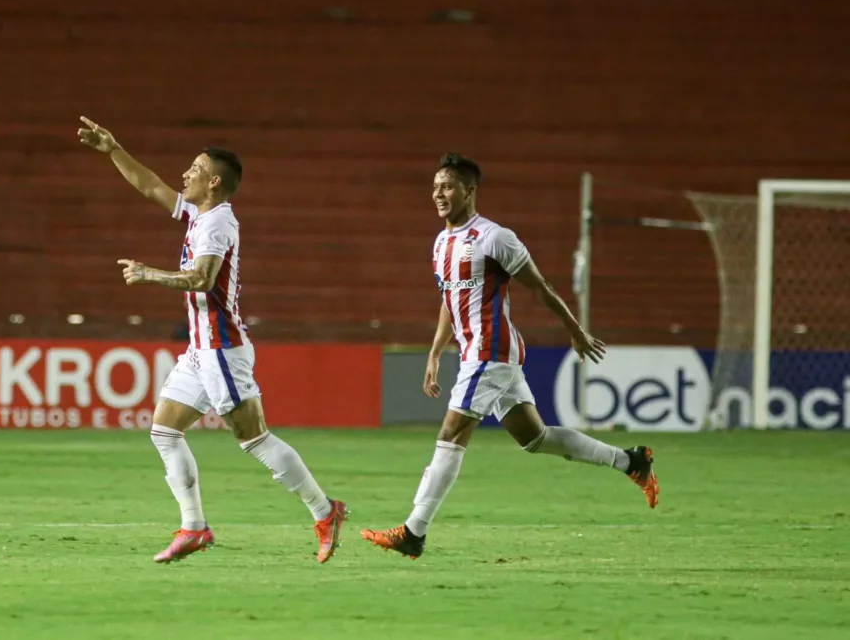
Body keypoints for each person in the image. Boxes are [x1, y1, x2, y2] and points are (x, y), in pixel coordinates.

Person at [77, 117, 347, 564]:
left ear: (214, 181)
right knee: (164, 430)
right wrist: (113, 148)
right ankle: (194, 528)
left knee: (254, 439)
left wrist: (149, 274)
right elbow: (151, 187)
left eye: (195, 169)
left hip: (222, 349)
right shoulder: (198, 213)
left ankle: (325, 511)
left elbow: (203, 279)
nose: (186, 174)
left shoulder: (218, 224)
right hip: (201, 352)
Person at [361, 153, 659, 560]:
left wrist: (575, 330)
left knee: (450, 437)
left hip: (491, 351)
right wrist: (434, 353)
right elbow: (450, 301)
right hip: (476, 354)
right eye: (435, 187)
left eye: (447, 186)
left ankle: (413, 532)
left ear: (469, 190)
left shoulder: (494, 238)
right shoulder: (440, 243)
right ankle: (631, 461)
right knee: (536, 438)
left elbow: (539, 286)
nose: (439, 194)